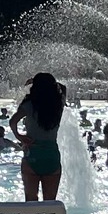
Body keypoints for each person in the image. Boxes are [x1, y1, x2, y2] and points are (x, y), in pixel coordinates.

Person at [9, 72, 66, 202]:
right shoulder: (58, 104)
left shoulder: (29, 104)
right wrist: (48, 83)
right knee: (50, 202)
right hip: (51, 155)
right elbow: (63, 88)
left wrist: (19, 137)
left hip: (32, 153)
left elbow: (12, 122)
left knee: (30, 200)